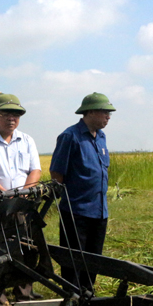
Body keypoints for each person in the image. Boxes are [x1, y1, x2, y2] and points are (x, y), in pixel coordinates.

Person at [0, 93, 42, 301]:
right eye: (7, 114)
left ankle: (23, 292)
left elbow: (35, 170)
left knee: (26, 247)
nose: (12, 118)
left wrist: (24, 194)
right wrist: (5, 195)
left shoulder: (27, 140)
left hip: (22, 205)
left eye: (16, 114)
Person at [49, 92, 115, 292]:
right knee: (73, 259)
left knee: (94, 257)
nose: (108, 117)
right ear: (91, 112)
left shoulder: (101, 137)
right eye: (105, 112)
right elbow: (57, 173)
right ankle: (71, 296)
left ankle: (87, 293)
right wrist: (68, 199)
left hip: (99, 211)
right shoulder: (70, 136)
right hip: (76, 211)